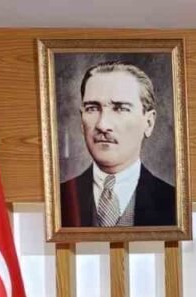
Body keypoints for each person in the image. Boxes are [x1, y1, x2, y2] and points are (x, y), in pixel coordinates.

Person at [59, 61, 176, 227]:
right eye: (92, 108)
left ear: (148, 123)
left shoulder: (174, 203)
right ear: (81, 120)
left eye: (120, 108)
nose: (102, 125)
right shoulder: (59, 200)